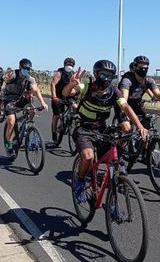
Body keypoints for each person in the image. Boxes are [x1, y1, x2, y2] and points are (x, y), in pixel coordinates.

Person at [62, 60, 149, 203]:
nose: (107, 79)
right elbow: (66, 93)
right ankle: (81, 180)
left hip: (102, 129)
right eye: (103, 75)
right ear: (96, 74)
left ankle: (113, 193)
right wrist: (72, 83)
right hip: (84, 129)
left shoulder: (114, 91)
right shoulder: (87, 86)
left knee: (114, 158)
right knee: (89, 157)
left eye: (110, 76)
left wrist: (139, 126)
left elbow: (125, 106)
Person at [116, 55, 160, 134]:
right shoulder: (127, 80)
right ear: (135, 67)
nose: (143, 70)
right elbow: (124, 98)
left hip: (136, 105)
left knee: (147, 129)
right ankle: (118, 145)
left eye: (145, 68)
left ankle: (143, 146)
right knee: (127, 130)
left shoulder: (148, 80)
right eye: (140, 67)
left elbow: (158, 94)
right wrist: (125, 112)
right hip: (123, 106)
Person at [2, 58, 48, 156]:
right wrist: (6, 78)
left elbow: (36, 90)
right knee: (11, 120)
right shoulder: (13, 74)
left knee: (32, 110)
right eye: (25, 69)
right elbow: (5, 78)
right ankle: (9, 144)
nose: (27, 71)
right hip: (9, 98)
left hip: (20, 98)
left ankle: (27, 127)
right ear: (20, 68)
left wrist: (43, 102)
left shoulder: (30, 79)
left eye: (28, 69)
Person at [50, 57, 76, 143]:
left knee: (75, 106)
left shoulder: (73, 74)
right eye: (68, 64)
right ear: (64, 64)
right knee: (57, 115)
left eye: (72, 65)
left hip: (68, 95)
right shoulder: (59, 73)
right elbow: (53, 84)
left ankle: (72, 120)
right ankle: (54, 133)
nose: (70, 66)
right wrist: (54, 97)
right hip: (58, 96)